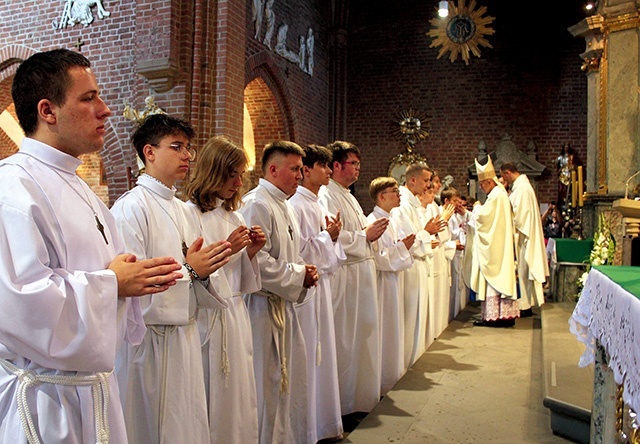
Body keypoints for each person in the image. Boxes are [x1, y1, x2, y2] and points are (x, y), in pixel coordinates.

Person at [0, 48, 183, 443]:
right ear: (48, 111)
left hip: (93, 391)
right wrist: (112, 283)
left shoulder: (80, 187)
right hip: (46, 404)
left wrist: (136, 277)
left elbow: (110, 273)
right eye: (89, 98)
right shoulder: (13, 186)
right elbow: (20, 301)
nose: (105, 110)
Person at [111, 114, 233, 443]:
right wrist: (192, 272)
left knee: (186, 422)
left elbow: (197, 275)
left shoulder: (182, 209)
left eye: (189, 148)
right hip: (148, 347)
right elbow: (131, 289)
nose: (187, 156)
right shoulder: (130, 208)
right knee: (150, 427)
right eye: (177, 147)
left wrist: (203, 274)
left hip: (184, 339)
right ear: (149, 152)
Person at [185, 135, 266, 444]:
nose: (237, 182)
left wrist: (251, 252)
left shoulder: (235, 215)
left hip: (235, 313)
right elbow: (196, 272)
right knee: (214, 395)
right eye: (231, 174)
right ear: (213, 171)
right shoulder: (190, 214)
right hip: (210, 317)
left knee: (239, 396)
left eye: (240, 175)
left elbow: (241, 280)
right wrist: (231, 248)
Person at [239, 140, 319, 444]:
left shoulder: (282, 203)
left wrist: (303, 271)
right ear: (273, 169)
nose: (301, 175)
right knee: (266, 385)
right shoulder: (256, 203)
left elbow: (288, 255)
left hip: (281, 308)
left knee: (283, 384)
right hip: (260, 310)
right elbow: (255, 259)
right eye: (295, 169)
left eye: (301, 169)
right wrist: (299, 275)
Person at [318, 140, 388, 417]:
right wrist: (365, 236)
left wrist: (367, 234)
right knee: (346, 341)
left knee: (363, 336)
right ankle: (345, 404)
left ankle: (361, 399)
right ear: (336, 165)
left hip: (362, 273)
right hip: (347, 278)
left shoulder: (347, 195)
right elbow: (332, 236)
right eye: (354, 164)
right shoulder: (327, 195)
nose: (359, 169)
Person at [289, 144, 345, 443]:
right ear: (307, 171)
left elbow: (326, 252)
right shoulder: (296, 205)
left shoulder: (316, 203)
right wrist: (328, 237)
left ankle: (322, 423)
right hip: (304, 291)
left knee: (322, 356)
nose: (328, 171)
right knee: (309, 356)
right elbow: (297, 253)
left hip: (319, 288)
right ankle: (307, 429)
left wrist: (330, 238)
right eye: (322, 166)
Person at [391, 163, 443, 367]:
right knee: (410, 318)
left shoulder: (414, 205)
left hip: (420, 264)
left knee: (418, 319)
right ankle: (405, 365)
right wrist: (427, 232)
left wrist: (428, 236)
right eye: (426, 181)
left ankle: (415, 361)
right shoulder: (402, 206)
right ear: (413, 180)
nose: (428, 185)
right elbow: (407, 241)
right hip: (410, 267)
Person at [367, 177, 415, 395]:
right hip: (382, 285)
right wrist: (401, 248)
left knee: (394, 327)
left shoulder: (391, 219)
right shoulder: (373, 221)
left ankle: (392, 376)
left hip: (393, 282)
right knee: (386, 330)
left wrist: (401, 247)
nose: (399, 195)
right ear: (381, 196)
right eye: (394, 191)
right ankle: (383, 381)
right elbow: (378, 258)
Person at [464, 157, 519, 327]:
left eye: (483, 183)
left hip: (496, 248)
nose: (481, 186)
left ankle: (498, 317)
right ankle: (500, 315)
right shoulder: (499, 193)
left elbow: (483, 218)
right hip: (499, 245)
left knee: (494, 277)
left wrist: (477, 206)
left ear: (489, 181)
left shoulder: (495, 196)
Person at [500, 162, 549, 317]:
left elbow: (518, 216)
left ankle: (525, 304)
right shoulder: (522, 187)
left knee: (523, 270)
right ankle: (525, 303)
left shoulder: (522, 189)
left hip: (522, 236)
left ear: (507, 172)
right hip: (524, 235)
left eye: (503, 176)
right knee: (523, 271)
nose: (504, 180)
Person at [423, 173, 456, 337]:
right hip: (431, 255)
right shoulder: (427, 207)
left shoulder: (433, 205)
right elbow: (432, 233)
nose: (437, 185)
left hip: (439, 253)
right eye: (434, 182)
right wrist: (444, 219)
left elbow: (442, 236)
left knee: (440, 301)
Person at [441, 187, 471, 320]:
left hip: (457, 253)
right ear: (446, 201)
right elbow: (444, 238)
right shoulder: (444, 216)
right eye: (454, 201)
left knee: (460, 288)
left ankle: (458, 313)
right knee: (453, 290)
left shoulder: (455, 216)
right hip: (451, 254)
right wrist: (455, 244)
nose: (457, 204)